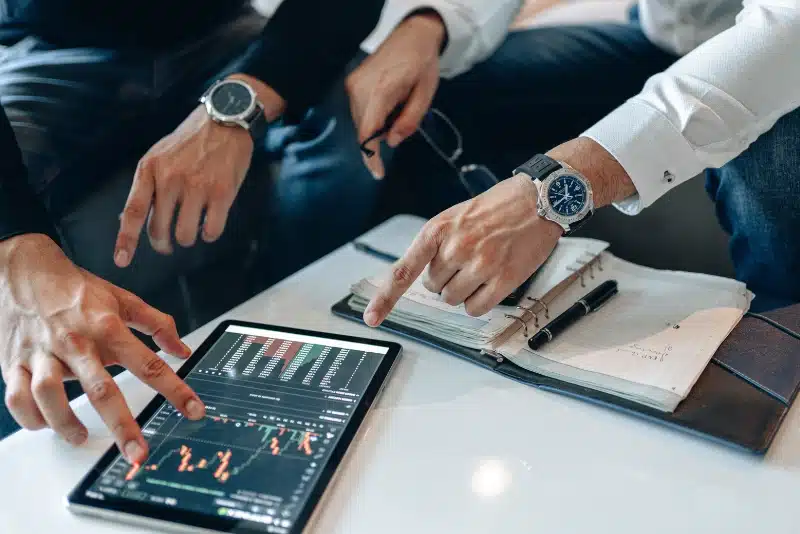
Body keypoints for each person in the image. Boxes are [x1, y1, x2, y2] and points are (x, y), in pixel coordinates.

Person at [0, 0, 525, 459]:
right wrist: (17, 246)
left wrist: (236, 108)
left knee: (353, 129)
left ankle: (306, 333)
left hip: (222, 29)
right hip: (47, 49)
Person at [361, 0, 800, 327]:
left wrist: (551, 188)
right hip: (666, 36)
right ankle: (472, 284)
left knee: (774, 154)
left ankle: (779, 339)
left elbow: (788, 33)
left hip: (785, 50)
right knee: (448, 89)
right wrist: (429, 24)